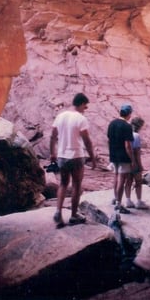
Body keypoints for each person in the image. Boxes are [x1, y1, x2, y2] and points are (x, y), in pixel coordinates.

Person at [50, 92, 97, 228]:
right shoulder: (81, 119)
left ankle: (58, 212)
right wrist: (92, 157)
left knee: (63, 184)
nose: (86, 108)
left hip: (62, 156)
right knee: (77, 185)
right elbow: (87, 141)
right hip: (76, 156)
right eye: (85, 105)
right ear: (81, 104)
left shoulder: (60, 116)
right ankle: (74, 215)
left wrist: (53, 153)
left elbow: (53, 136)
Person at [107, 104, 135, 214]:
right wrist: (132, 159)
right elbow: (128, 145)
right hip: (123, 156)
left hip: (113, 155)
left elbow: (108, 140)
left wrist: (111, 152)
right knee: (121, 180)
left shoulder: (111, 124)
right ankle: (119, 204)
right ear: (129, 114)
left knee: (116, 176)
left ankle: (115, 198)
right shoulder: (127, 126)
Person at [125, 116, 148, 209]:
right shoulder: (136, 136)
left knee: (128, 181)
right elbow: (137, 151)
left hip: (127, 161)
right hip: (135, 161)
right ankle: (138, 201)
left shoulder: (127, 133)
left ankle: (128, 200)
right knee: (138, 181)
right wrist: (140, 164)